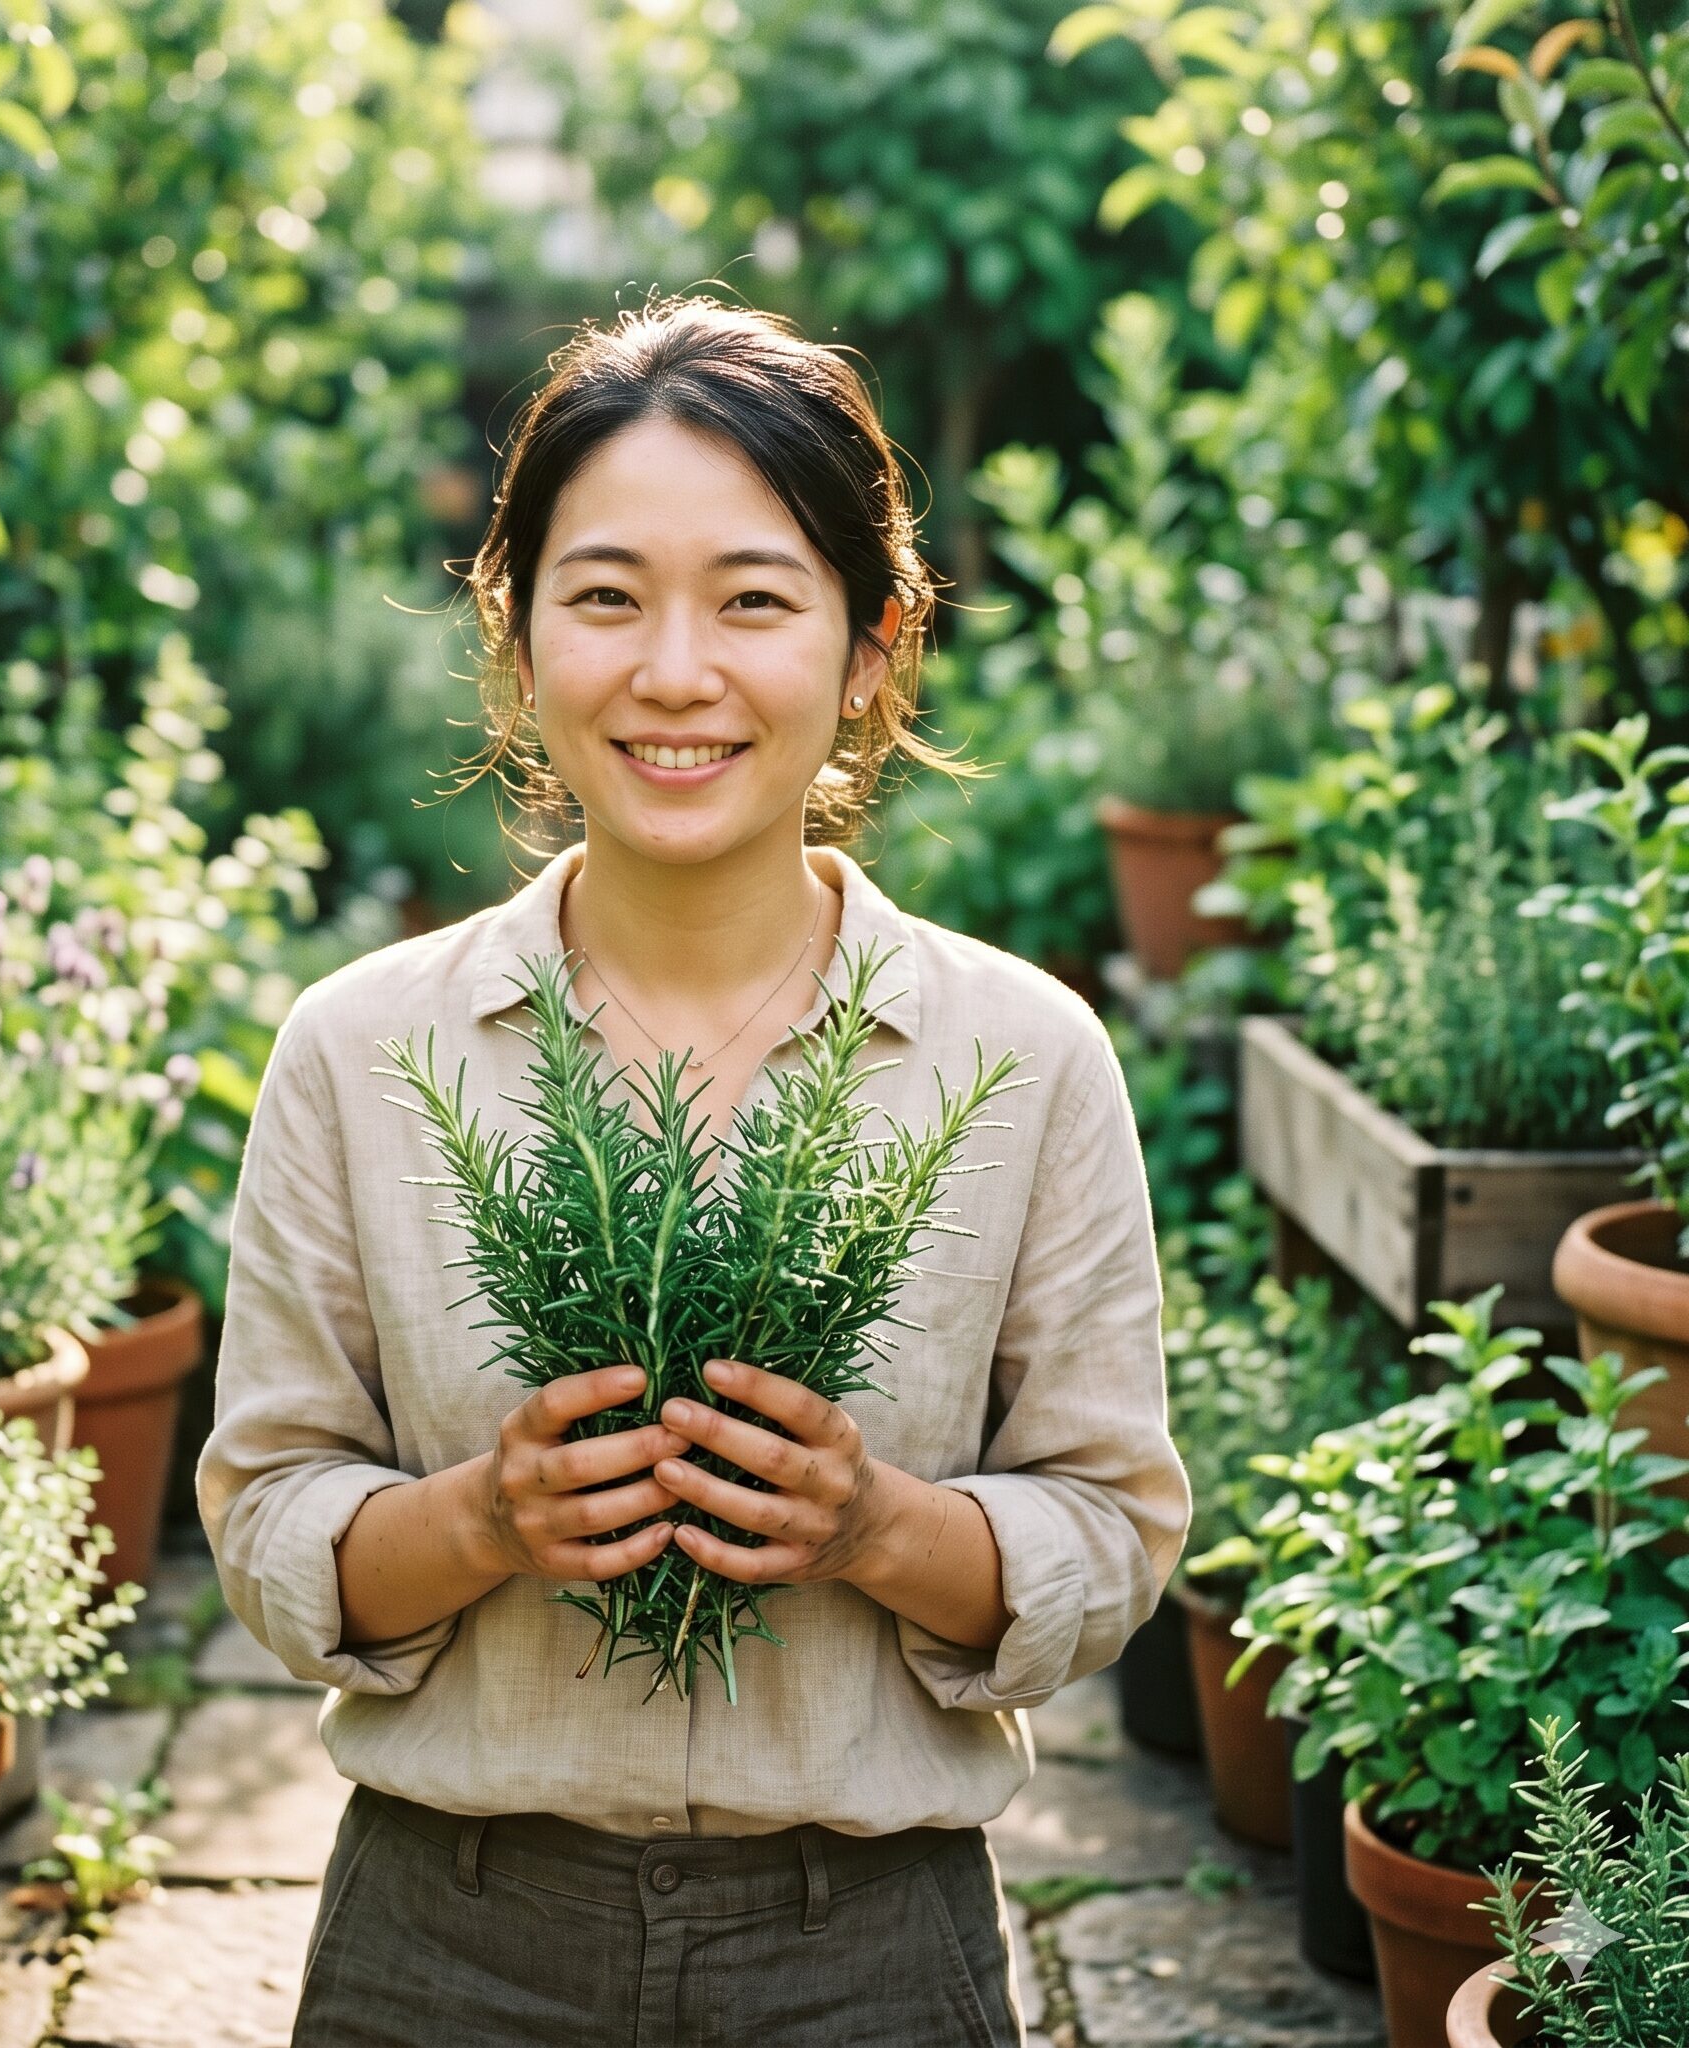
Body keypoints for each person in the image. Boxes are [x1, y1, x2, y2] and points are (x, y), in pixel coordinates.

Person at [197, 292, 1190, 2048]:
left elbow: (1111, 1529)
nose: (673, 672)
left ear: (871, 645)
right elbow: (268, 1508)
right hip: (448, 1938)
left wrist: (881, 1529)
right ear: (513, 639)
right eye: (603, 597)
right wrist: (481, 1521)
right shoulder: (358, 1052)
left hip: (870, 1954)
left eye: (752, 599)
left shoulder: (1021, 1060)